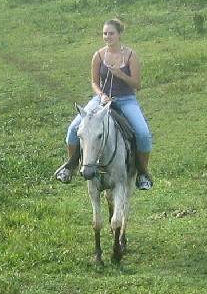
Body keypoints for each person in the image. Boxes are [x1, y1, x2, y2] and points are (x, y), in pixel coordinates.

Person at [55, 19, 153, 190]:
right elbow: (94, 82)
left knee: (143, 133)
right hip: (101, 100)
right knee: (73, 129)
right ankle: (70, 167)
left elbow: (137, 84)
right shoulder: (98, 55)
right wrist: (101, 95)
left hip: (126, 99)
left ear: (119, 34)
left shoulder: (130, 55)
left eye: (111, 33)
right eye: (105, 33)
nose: (107, 36)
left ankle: (143, 173)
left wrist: (120, 74)